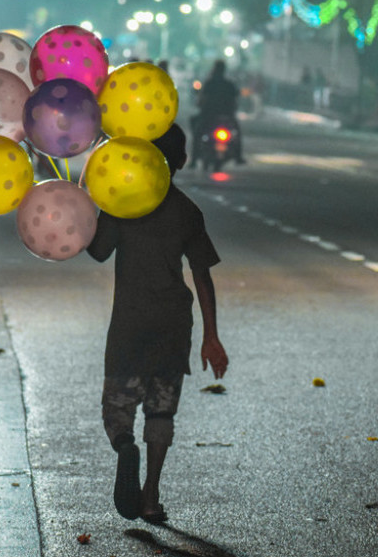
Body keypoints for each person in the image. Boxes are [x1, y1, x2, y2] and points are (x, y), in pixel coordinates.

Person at [86, 123, 229, 524]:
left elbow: (98, 252)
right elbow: (203, 274)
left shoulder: (123, 202)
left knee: (117, 405)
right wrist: (211, 337)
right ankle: (150, 497)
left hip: (129, 322)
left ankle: (124, 445)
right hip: (173, 324)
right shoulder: (186, 210)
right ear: (181, 162)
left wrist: (91, 206)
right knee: (161, 411)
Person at [192, 59, 244, 164]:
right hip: (227, 116)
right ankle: (238, 157)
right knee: (237, 133)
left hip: (209, 115)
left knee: (197, 132)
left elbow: (202, 99)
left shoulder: (209, 83)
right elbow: (235, 98)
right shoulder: (229, 84)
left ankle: (194, 159)